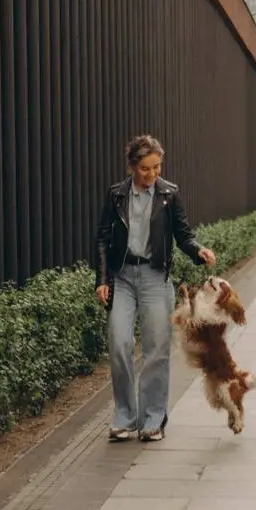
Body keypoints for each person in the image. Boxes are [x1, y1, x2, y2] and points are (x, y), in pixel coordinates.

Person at [94, 134, 216, 442]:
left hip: (154, 277)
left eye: (157, 167)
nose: (153, 174)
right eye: (146, 168)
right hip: (122, 277)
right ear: (133, 166)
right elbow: (102, 240)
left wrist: (198, 250)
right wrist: (102, 279)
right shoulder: (116, 195)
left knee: (156, 351)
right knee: (120, 343)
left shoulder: (169, 195)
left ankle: (153, 418)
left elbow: (183, 235)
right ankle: (124, 415)